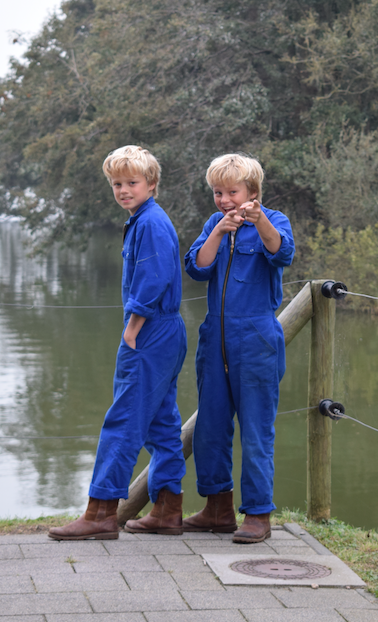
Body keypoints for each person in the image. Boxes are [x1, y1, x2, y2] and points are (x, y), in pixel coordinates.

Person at [49, 146, 187, 540]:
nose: (124, 190)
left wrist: (134, 325)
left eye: (132, 183)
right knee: (161, 425)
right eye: (117, 184)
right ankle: (167, 509)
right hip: (163, 331)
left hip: (152, 330)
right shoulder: (143, 219)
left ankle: (101, 513)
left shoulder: (150, 223)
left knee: (123, 420)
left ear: (152, 185)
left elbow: (155, 276)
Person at [183, 153, 294, 543]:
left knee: (256, 429)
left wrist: (257, 219)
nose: (225, 200)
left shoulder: (274, 220)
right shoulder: (215, 223)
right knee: (210, 427)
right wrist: (218, 231)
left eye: (232, 192)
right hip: (215, 337)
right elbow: (197, 267)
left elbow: (282, 252)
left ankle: (258, 515)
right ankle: (217, 508)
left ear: (253, 192)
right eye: (218, 192)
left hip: (256, 338)